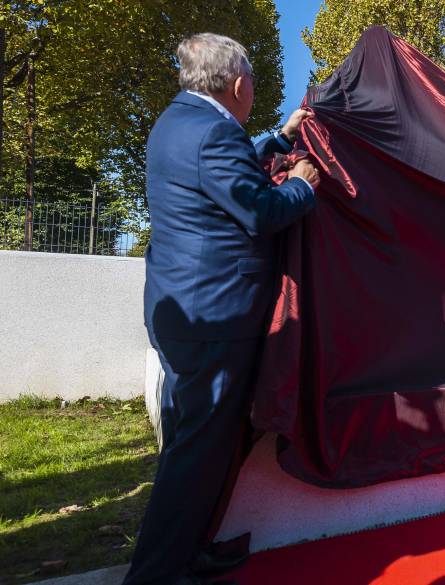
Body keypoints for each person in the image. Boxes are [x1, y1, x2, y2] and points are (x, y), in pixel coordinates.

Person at [125, 33, 319, 585]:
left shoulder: (179, 121)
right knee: (196, 455)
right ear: (237, 83)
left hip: (188, 309)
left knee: (197, 447)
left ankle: (189, 553)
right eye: (252, 79)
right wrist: (301, 187)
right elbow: (258, 211)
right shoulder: (213, 132)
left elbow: (220, 175)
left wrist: (279, 138)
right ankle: (157, 573)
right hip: (215, 316)